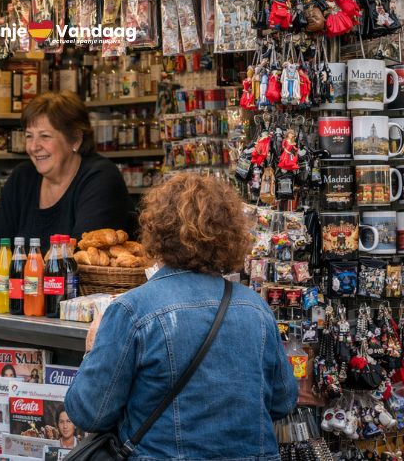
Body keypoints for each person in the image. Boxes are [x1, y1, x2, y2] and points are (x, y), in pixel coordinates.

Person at [64, 173, 298, 460]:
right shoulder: (256, 308)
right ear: (230, 236)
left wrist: (91, 350)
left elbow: (89, 413)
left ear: (157, 232)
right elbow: (283, 401)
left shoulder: (132, 310)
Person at [0, 91, 133, 250]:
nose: (33, 147)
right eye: (29, 136)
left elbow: (83, 255)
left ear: (75, 139)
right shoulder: (23, 177)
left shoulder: (101, 178)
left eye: (45, 136)